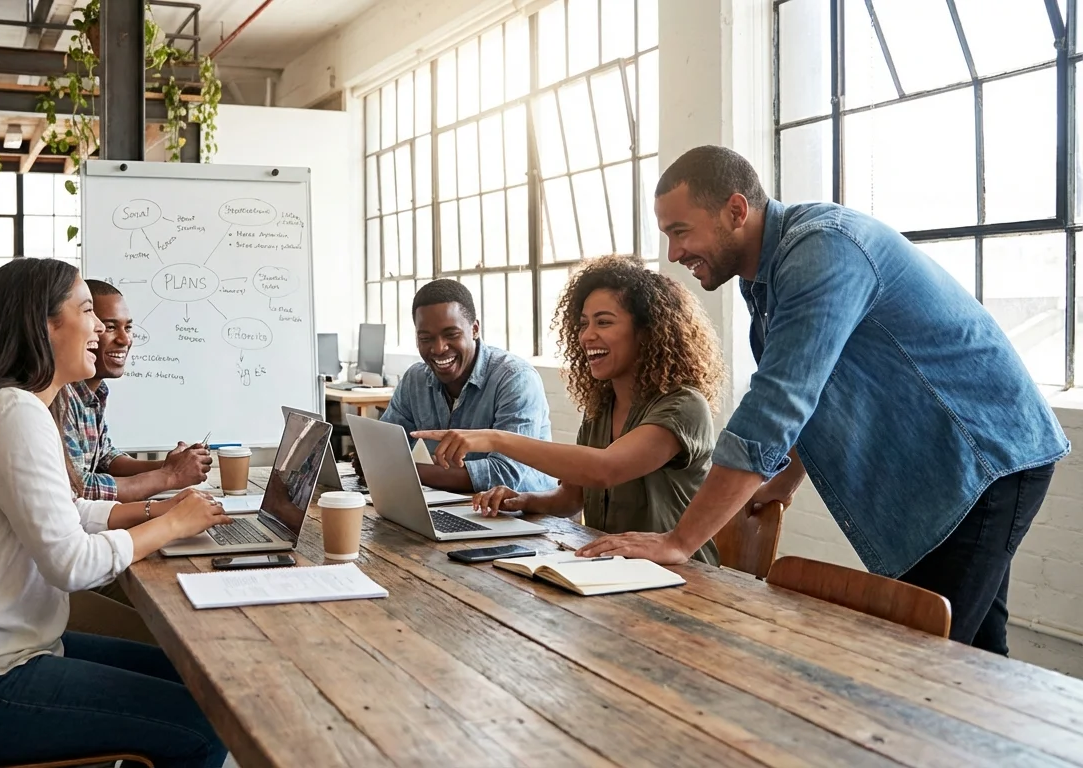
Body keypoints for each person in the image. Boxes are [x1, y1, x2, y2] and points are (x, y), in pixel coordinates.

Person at [581, 145, 1068, 655]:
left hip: (983, 456)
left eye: (680, 231)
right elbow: (816, 388)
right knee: (977, 658)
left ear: (736, 211)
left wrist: (678, 541)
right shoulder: (767, 280)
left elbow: (775, 406)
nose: (674, 254)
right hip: (966, 463)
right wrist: (784, 480)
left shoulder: (822, 251)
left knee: (928, 663)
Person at [0, 258, 231, 766]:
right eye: (87, 312)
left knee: (198, 682)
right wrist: (170, 524)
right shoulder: (14, 413)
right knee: (202, 724)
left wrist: (155, 509)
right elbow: (72, 565)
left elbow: (69, 510)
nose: (101, 328)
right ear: (45, 327)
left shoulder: (12, 405)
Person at [414, 256, 724, 564]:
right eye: (583, 324)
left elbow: (606, 469)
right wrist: (523, 500)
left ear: (646, 330)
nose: (587, 335)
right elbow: (572, 498)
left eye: (603, 322)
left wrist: (495, 439)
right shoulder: (602, 408)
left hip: (680, 576)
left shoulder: (684, 405)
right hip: (611, 568)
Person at [370, 279, 556, 493]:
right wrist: (372, 460)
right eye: (426, 338)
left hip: (526, 517)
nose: (439, 348)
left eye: (451, 335)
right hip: (454, 505)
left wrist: (394, 469)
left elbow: (502, 474)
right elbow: (385, 446)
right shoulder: (415, 379)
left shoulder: (515, 378)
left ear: (475, 329)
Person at [60, 279, 211, 503]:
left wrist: (172, 465)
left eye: (128, 328)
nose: (125, 339)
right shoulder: (58, 398)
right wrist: (170, 476)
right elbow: (79, 487)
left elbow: (107, 459)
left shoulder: (95, 392)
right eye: (110, 327)